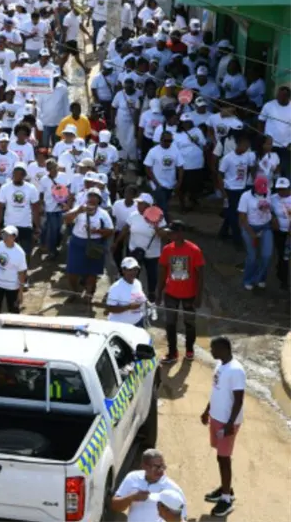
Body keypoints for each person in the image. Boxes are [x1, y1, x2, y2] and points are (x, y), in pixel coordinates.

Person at [201, 336, 245, 517]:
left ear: (224, 349)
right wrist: (207, 411)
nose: (211, 351)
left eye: (214, 348)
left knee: (224, 458)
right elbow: (216, 390)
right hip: (216, 417)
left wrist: (230, 424)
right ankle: (226, 489)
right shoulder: (220, 365)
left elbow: (239, 400)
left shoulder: (236, 370)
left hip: (227, 422)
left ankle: (226, 500)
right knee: (220, 457)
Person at [157, 221, 204, 364]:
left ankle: (189, 349)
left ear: (180, 233)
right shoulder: (167, 249)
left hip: (189, 295)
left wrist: (198, 296)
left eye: (172, 232)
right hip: (171, 294)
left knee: (189, 323)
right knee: (170, 324)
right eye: (169, 232)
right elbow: (162, 271)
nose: (169, 235)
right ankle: (172, 352)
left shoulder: (194, 250)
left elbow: (201, 275)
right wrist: (158, 292)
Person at [110, 449, 186, 520]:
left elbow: (181, 518)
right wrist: (132, 498)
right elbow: (115, 506)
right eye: (157, 467)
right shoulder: (132, 477)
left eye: (163, 466)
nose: (161, 470)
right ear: (144, 466)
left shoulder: (173, 489)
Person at [0, 226, 27, 316]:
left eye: (7, 235)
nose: (4, 237)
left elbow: (22, 273)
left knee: (13, 311)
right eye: (4, 234)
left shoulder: (20, 253)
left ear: (14, 237)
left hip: (12, 287)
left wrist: (20, 292)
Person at [105, 258, 149, 327]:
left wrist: (147, 303)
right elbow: (110, 308)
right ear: (123, 270)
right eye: (130, 270)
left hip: (138, 323)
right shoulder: (115, 287)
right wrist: (128, 307)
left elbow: (141, 298)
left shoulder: (138, 283)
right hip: (119, 325)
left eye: (135, 269)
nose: (133, 272)